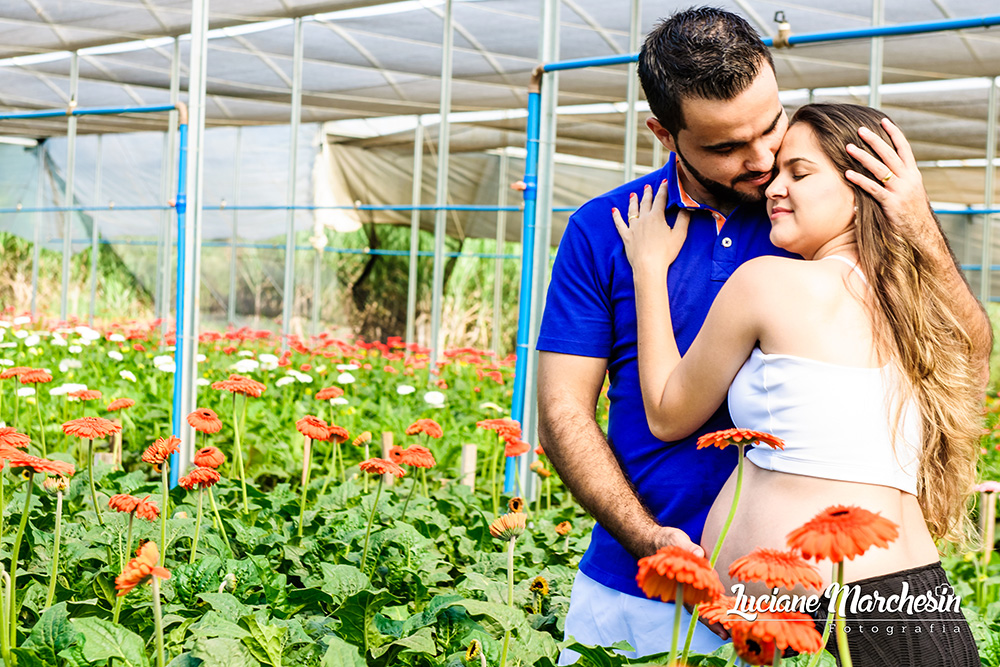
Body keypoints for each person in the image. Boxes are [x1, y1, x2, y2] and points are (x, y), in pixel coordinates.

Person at [535, 7, 991, 663]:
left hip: (800, 606)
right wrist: (645, 537)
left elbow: (965, 343)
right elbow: (562, 412)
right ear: (664, 132)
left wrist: (916, 221)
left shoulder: (806, 222)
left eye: (771, 128)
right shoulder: (606, 229)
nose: (762, 161)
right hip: (637, 584)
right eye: (725, 146)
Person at [614, 102, 984, 665]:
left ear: (862, 189)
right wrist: (920, 224)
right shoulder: (915, 307)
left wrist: (647, 269)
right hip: (918, 607)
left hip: (841, 621)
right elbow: (977, 343)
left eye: (799, 173)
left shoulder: (768, 281)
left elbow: (666, 412)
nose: (773, 189)